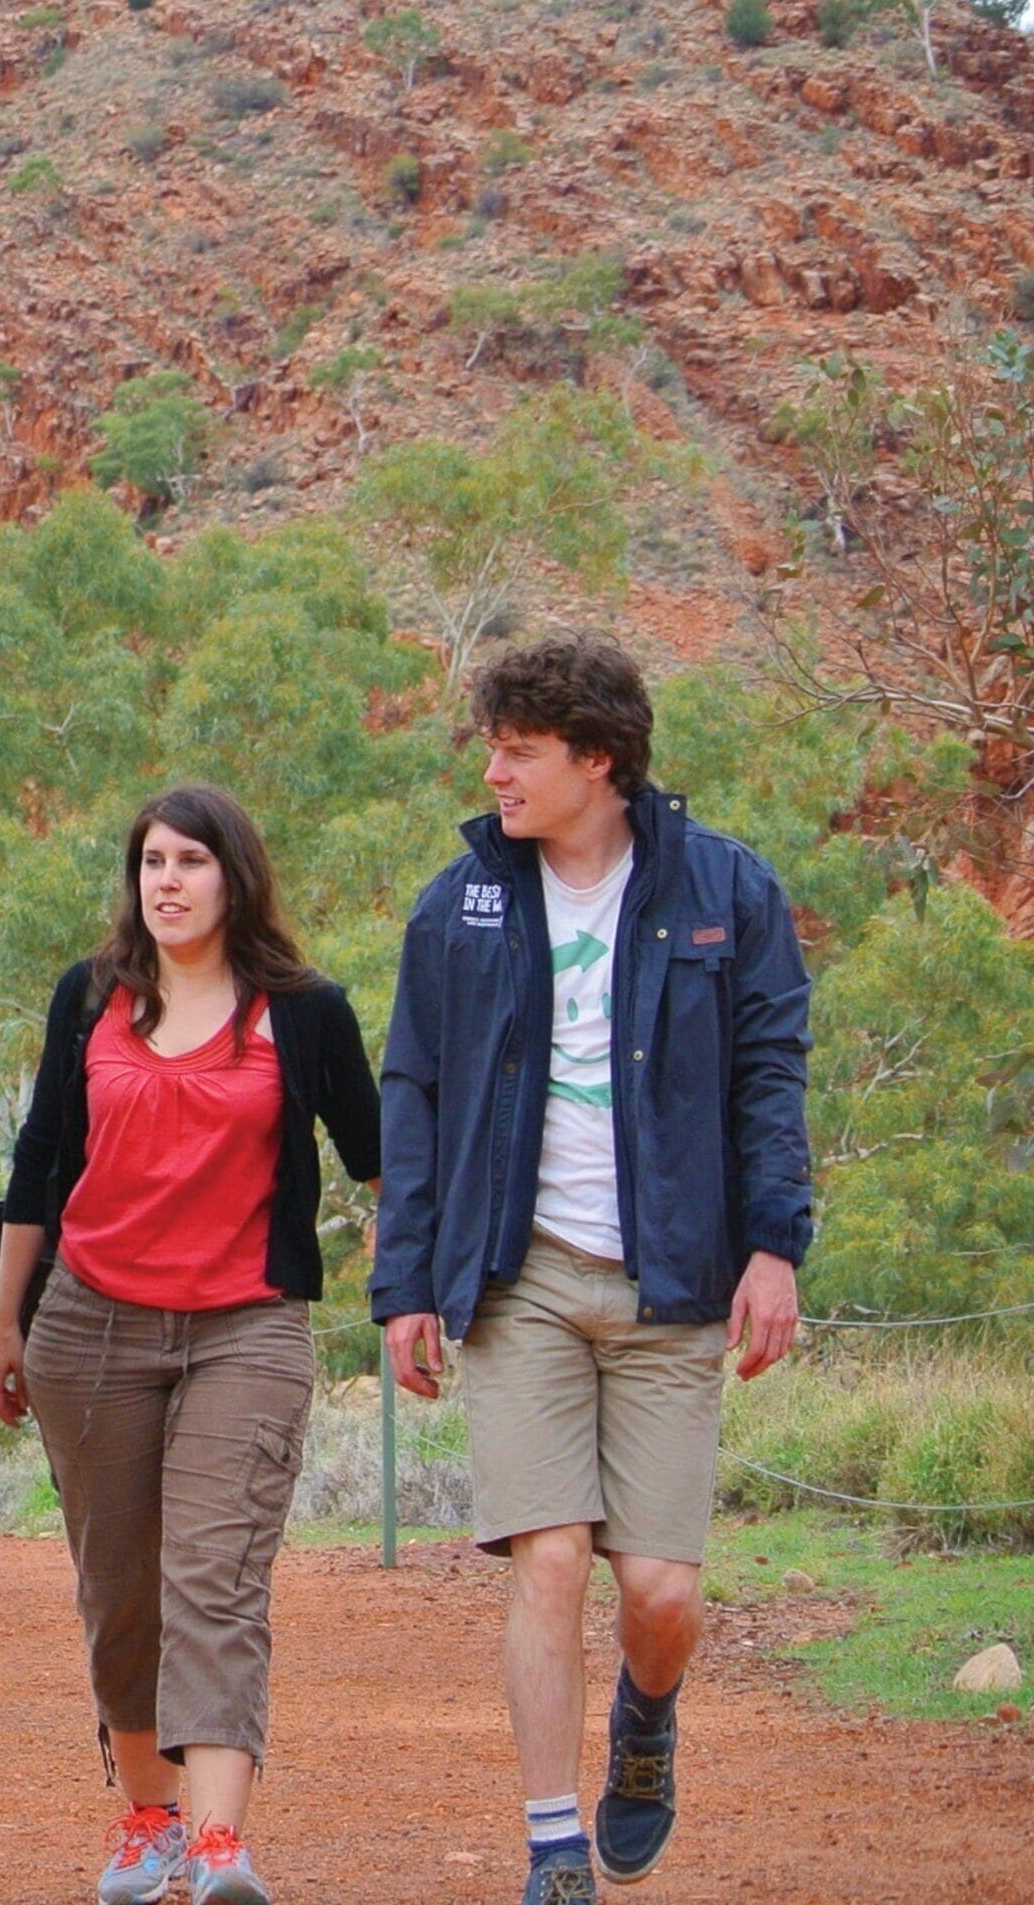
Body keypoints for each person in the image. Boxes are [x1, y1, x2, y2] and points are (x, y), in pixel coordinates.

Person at [370, 635, 811, 1905]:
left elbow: (770, 1079)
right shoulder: (463, 903)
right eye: (495, 748)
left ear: (597, 760)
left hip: (675, 1279)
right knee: (550, 1557)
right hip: (521, 1281)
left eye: (520, 751)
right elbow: (417, 1086)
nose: (495, 772)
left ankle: (647, 1722)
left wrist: (775, 1245)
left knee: (661, 1591)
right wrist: (406, 1283)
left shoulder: (726, 890)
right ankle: (553, 1846)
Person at [0, 787, 382, 1905]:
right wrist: (3, 1321)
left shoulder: (304, 1012)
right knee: (119, 1591)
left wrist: (414, 1292)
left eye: (191, 862)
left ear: (235, 878)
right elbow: (38, 1168)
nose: (167, 881)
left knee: (215, 1580)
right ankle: (147, 1818)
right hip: (91, 1323)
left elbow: (378, 1159)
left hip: (246, 1325)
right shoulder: (91, 1000)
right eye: (152, 861)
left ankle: (218, 1845)